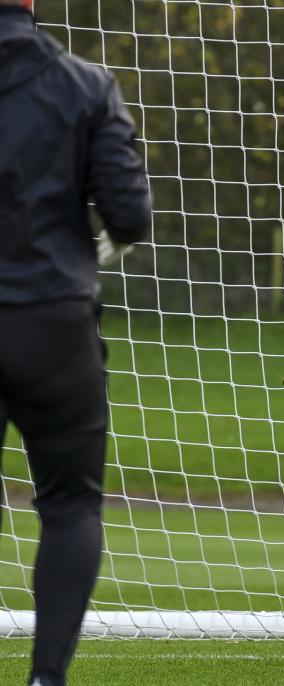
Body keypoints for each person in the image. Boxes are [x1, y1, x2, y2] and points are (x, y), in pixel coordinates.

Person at [0, 1, 151, 684]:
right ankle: (45, 679)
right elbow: (129, 215)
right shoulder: (87, 85)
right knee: (70, 504)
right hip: (53, 322)